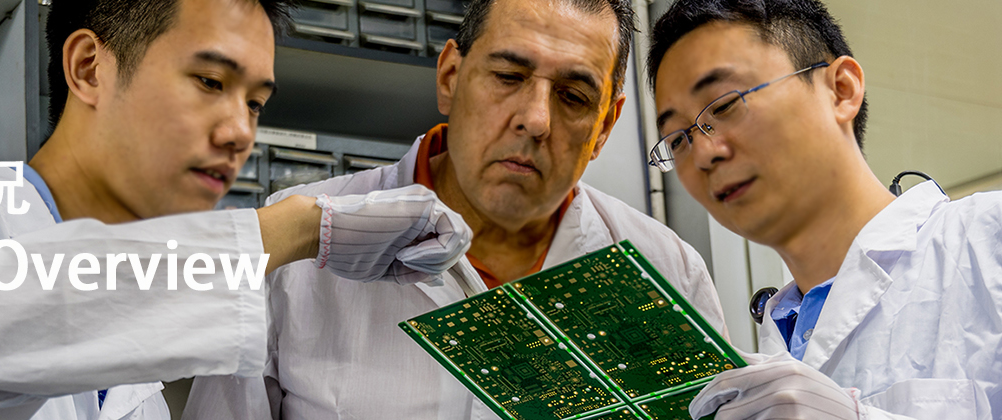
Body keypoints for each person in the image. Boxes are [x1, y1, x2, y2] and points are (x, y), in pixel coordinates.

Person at [0, 0, 471, 418]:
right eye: (209, 81)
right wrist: (294, 228)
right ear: (89, 68)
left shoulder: (143, 379)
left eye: (255, 103)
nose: (240, 132)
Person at [181, 0, 728, 418]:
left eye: (573, 96)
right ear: (450, 78)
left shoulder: (668, 271)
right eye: (508, 76)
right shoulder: (292, 240)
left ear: (605, 125)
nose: (536, 120)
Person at [645, 0, 1002, 419]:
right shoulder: (767, 356)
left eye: (725, 105)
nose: (704, 152)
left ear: (841, 90)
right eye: (678, 137)